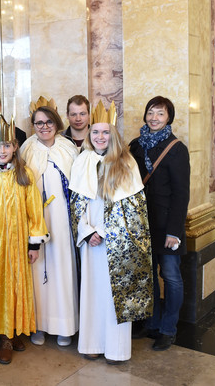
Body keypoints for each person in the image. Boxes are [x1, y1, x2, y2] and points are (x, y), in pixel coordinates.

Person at [69, 102, 153, 364]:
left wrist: (104, 232)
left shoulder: (126, 162)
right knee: (92, 292)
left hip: (116, 240)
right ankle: (92, 343)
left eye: (105, 132)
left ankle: (116, 349)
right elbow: (76, 202)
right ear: (90, 134)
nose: (100, 137)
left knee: (115, 291)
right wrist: (87, 231)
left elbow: (131, 207)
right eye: (95, 132)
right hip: (90, 239)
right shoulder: (82, 160)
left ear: (113, 134)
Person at [0, 115, 49, 365]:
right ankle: (5, 336)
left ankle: (16, 330)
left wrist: (33, 243)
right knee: (0, 287)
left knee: (19, 286)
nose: (2, 150)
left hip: (18, 244)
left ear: (14, 147)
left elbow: (34, 210)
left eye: (7, 145)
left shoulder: (24, 174)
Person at [129, 96, 190, 351]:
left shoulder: (176, 148)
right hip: (143, 223)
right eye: (151, 112)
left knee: (171, 277)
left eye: (160, 114)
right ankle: (151, 323)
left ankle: (168, 328)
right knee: (149, 277)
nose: (154, 118)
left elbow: (181, 193)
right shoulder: (135, 145)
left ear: (169, 118)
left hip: (167, 225)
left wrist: (175, 232)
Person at [20, 106, 79, 347]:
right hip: (35, 219)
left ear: (56, 123)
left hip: (62, 220)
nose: (44, 127)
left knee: (62, 269)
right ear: (33, 125)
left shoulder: (68, 148)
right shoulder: (26, 149)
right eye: (38, 122)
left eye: (48, 122)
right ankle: (40, 325)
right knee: (38, 269)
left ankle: (64, 326)